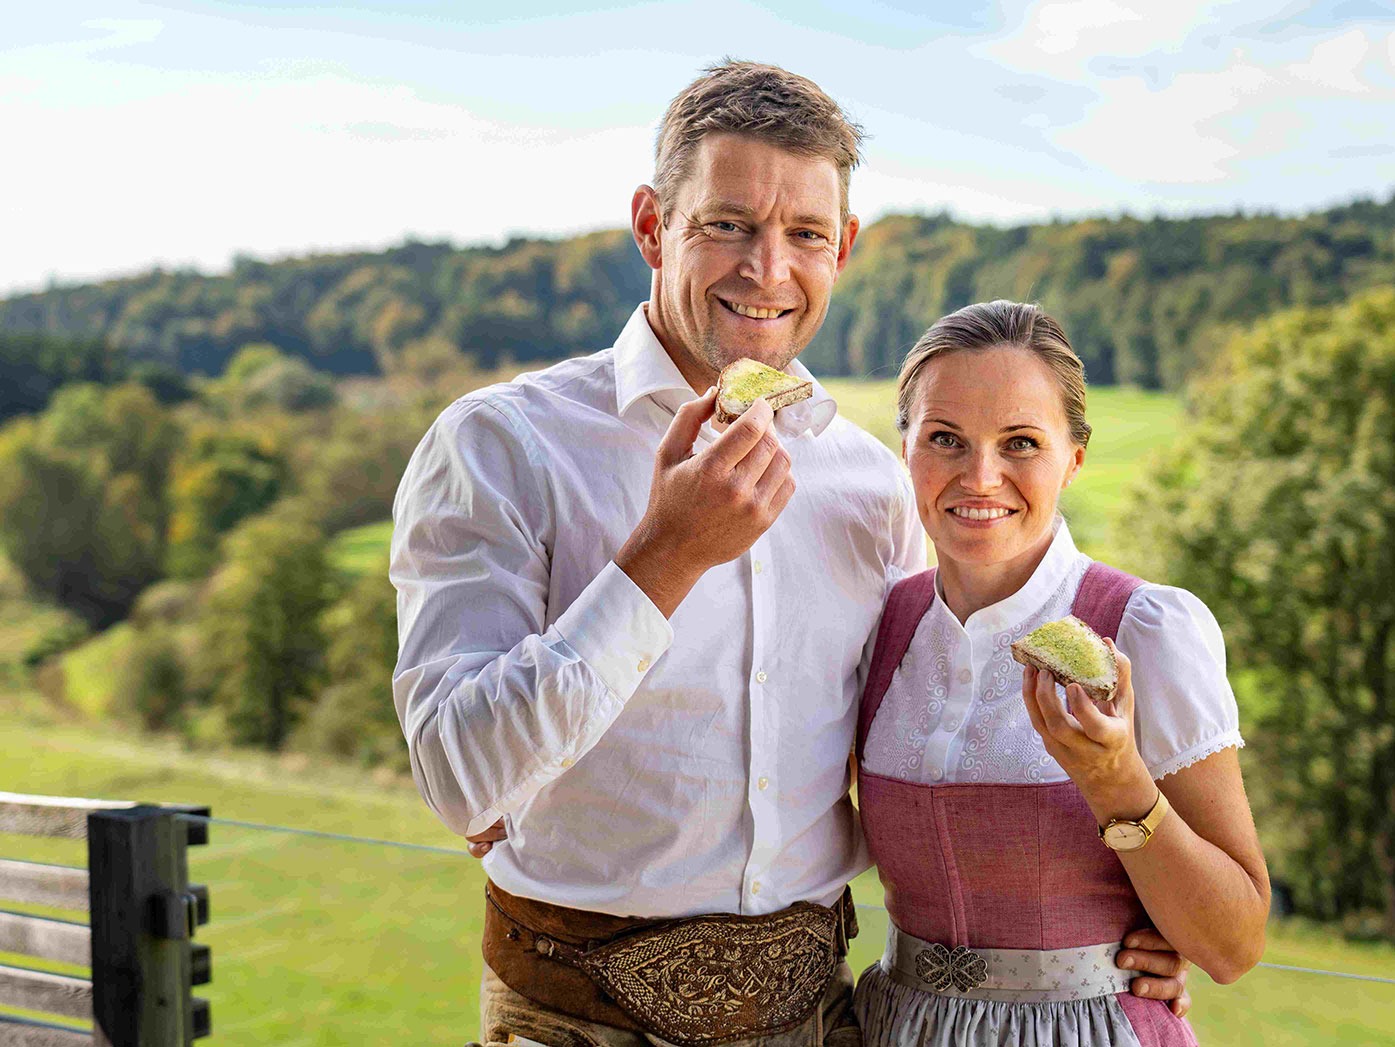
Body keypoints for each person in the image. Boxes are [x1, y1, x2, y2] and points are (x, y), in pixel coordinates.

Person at [391, 61, 1192, 1047]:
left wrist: (1113, 929)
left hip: (819, 1022)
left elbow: (938, 749)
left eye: (805, 234)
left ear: (843, 248)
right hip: (568, 1023)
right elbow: (459, 778)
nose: (767, 269)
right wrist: (664, 558)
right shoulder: (501, 445)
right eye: (727, 223)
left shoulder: (871, 483)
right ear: (651, 225)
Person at [850, 301, 1270, 1046]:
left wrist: (1117, 781)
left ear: (1073, 457)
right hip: (897, 1026)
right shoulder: (880, 626)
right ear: (905, 446)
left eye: (1020, 443)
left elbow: (1232, 945)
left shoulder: (1146, 628)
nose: (981, 476)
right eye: (945, 438)